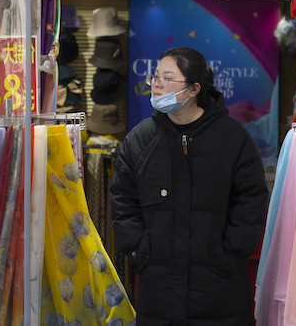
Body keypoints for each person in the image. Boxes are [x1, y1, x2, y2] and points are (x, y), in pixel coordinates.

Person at [111, 47, 268, 325]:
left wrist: (230, 251)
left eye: (167, 78)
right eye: (155, 77)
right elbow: (123, 200)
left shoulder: (231, 137)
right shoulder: (141, 139)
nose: (156, 85)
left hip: (220, 289)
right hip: (158, 289)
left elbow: (251, 198)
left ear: (195, 88)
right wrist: (139, 250)